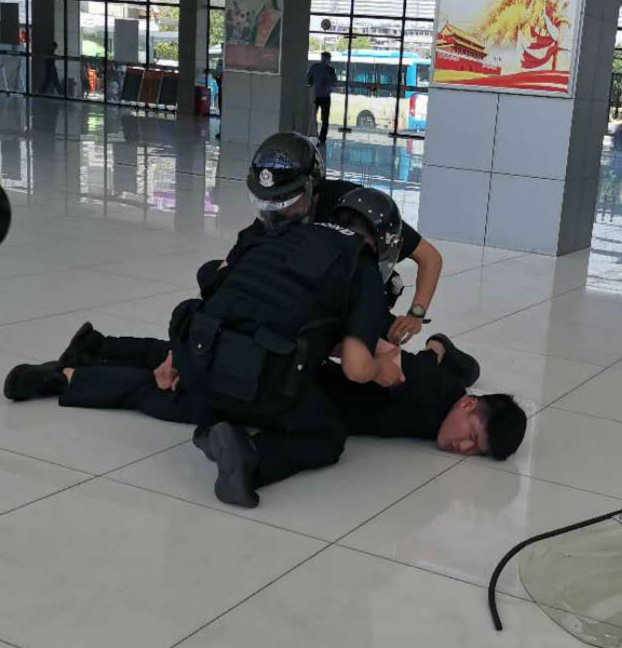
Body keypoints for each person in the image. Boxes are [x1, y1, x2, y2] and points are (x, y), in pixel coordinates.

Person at [3, 322, 527, 499]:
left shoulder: (449, 389)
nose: (462, 447)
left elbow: (452, 359)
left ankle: (94, 348)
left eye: (473, 451)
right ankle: (65, 377)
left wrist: (438, 345)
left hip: (298, 378)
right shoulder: (427, 389)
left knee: (190, 361)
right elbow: (382, 356)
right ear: (468, 405)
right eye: (471, 434)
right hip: (299, 381)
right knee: (181, 393)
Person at [169, 132, 405, 507]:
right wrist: (382, 370)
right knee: (327, 434)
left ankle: (214, 422)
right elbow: (356, 368)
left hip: (195, 357)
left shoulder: (280, 232)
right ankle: (250, 459)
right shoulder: (362, 269)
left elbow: (220, 285)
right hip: (253, 375)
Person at [198, 176, 443, 346]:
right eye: (274, 200)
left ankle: (435, 349)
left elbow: (430, 258)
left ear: (310, 189)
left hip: (349, 291)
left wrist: (416, 313)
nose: (280, 208)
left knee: (372, 340)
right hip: (305, 288)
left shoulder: (355, 206)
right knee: (212, 275)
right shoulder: (278, 213)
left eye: (287, 199)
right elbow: (231, 262)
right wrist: (202, 322)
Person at [307, 52, 338, 141]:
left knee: (324, 118)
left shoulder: (331, 70)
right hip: (315, 96)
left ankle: (322, 137)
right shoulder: (315, 67)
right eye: (325, 59)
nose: (327, 61)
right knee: (313, 116)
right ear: (322, 58)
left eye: (327, 59)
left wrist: (330, 86)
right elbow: (308, 79)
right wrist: (310, 88)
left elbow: (334, 82)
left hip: (325, 97)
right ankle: (314, 134)